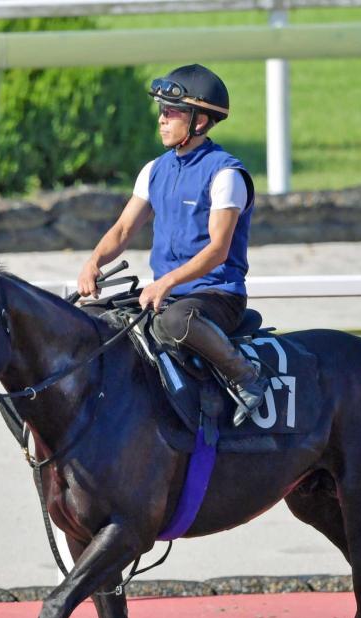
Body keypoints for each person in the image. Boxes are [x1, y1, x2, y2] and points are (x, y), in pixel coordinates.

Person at [77, 64, 267, 427]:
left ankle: (246, 376)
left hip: (216, 295)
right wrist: (93, 262)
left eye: (172, 112)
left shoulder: (226, 174)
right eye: (162, 111)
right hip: (169, 294)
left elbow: (218, 251)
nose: (162, 120)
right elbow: (122, 230)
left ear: (199, 121)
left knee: (174, 321)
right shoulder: (154, 170)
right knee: (92, 318)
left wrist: (166, 283)